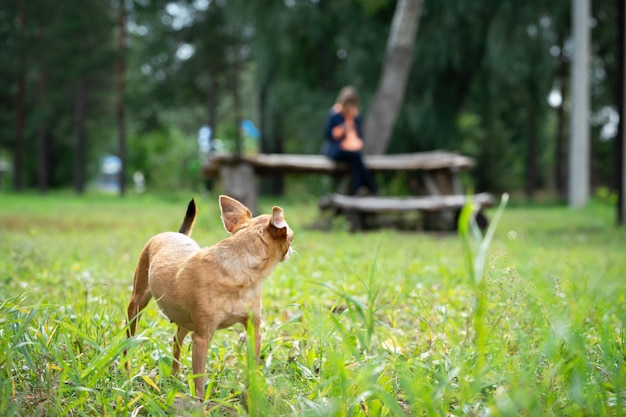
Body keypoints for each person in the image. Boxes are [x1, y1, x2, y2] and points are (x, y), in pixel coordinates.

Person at [322, 86, 378, 196]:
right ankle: (371, 188)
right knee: (356, 158)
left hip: (352, 152)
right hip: (336, 150)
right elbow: (328, 135)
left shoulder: (355, 117)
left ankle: (359, 189)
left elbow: (360, 136)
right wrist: (342, 129)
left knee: (355, 161)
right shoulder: (334, 114)